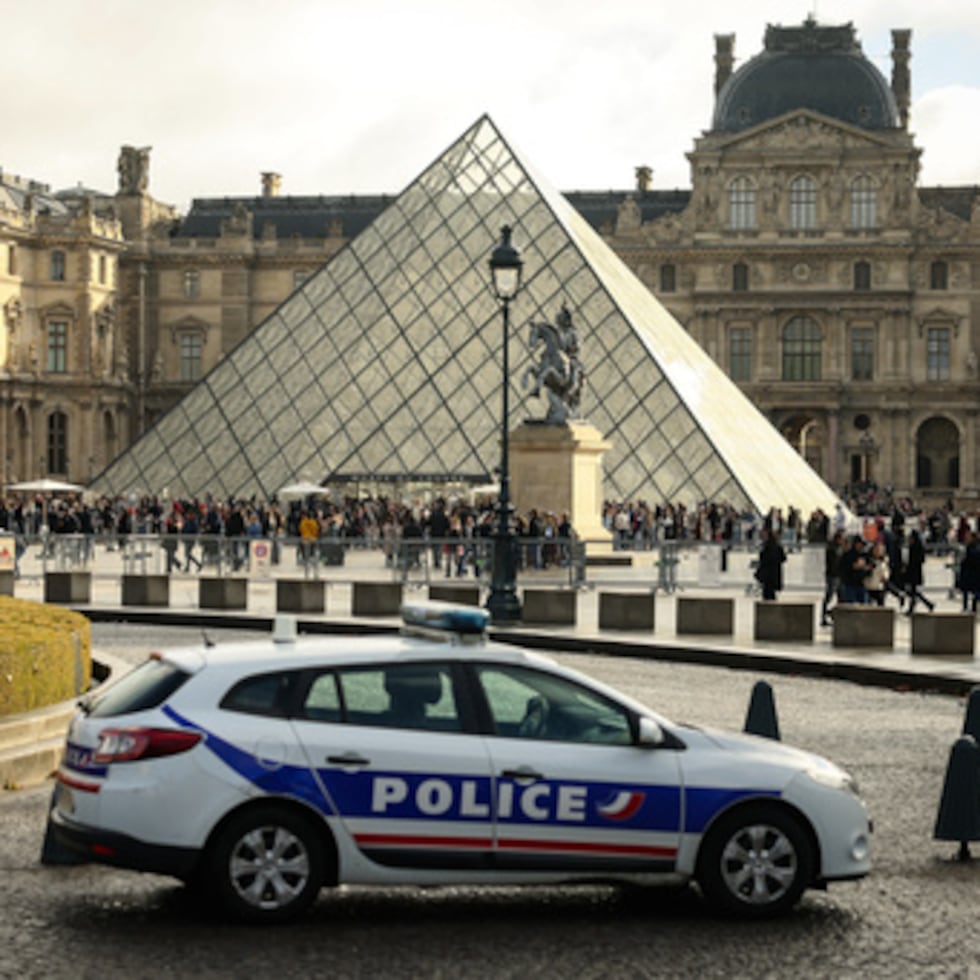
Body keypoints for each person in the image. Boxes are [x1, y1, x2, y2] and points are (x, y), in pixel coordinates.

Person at [904, 528, 934, 614]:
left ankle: (918, 606)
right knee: (913, 592)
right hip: (915, 572)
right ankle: (927, 604)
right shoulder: (916, 547)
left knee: (913, 592)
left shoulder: (915, 548)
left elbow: (915, 561)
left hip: (914, 572)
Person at [820, 529, 845, 625]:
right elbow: (833, 563)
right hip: (833, 576)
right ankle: (825, 615)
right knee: (829, 596)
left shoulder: (839, 548)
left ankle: (835, 614)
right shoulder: (832, 549)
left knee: (841, 597)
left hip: (838, 576)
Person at [755, 528, 786, 600]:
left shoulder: (767, 547)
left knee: (767, 593)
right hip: (774, 573)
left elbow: (764, 560)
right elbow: (783, 558)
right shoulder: (777, 546)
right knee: (771, 594)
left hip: (767, 574)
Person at [838, 535, 870, 605]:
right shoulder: (847, 555)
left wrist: (865, 568)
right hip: (849, 584)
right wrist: (852, 567)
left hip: (862, 584)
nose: (861, 546)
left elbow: (870, 567)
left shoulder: (865, 555)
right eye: (860, 544)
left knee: (864, 605)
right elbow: (841, 569)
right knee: (851, 606)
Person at [864, 541, 890, 606]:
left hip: (879, 587)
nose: (877, 552)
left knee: (881, 606)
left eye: (879, 550)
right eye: (876, 550)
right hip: (869, 586)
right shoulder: (868, 560)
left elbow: (886, 571)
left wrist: (885, 577)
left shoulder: (884, 561)